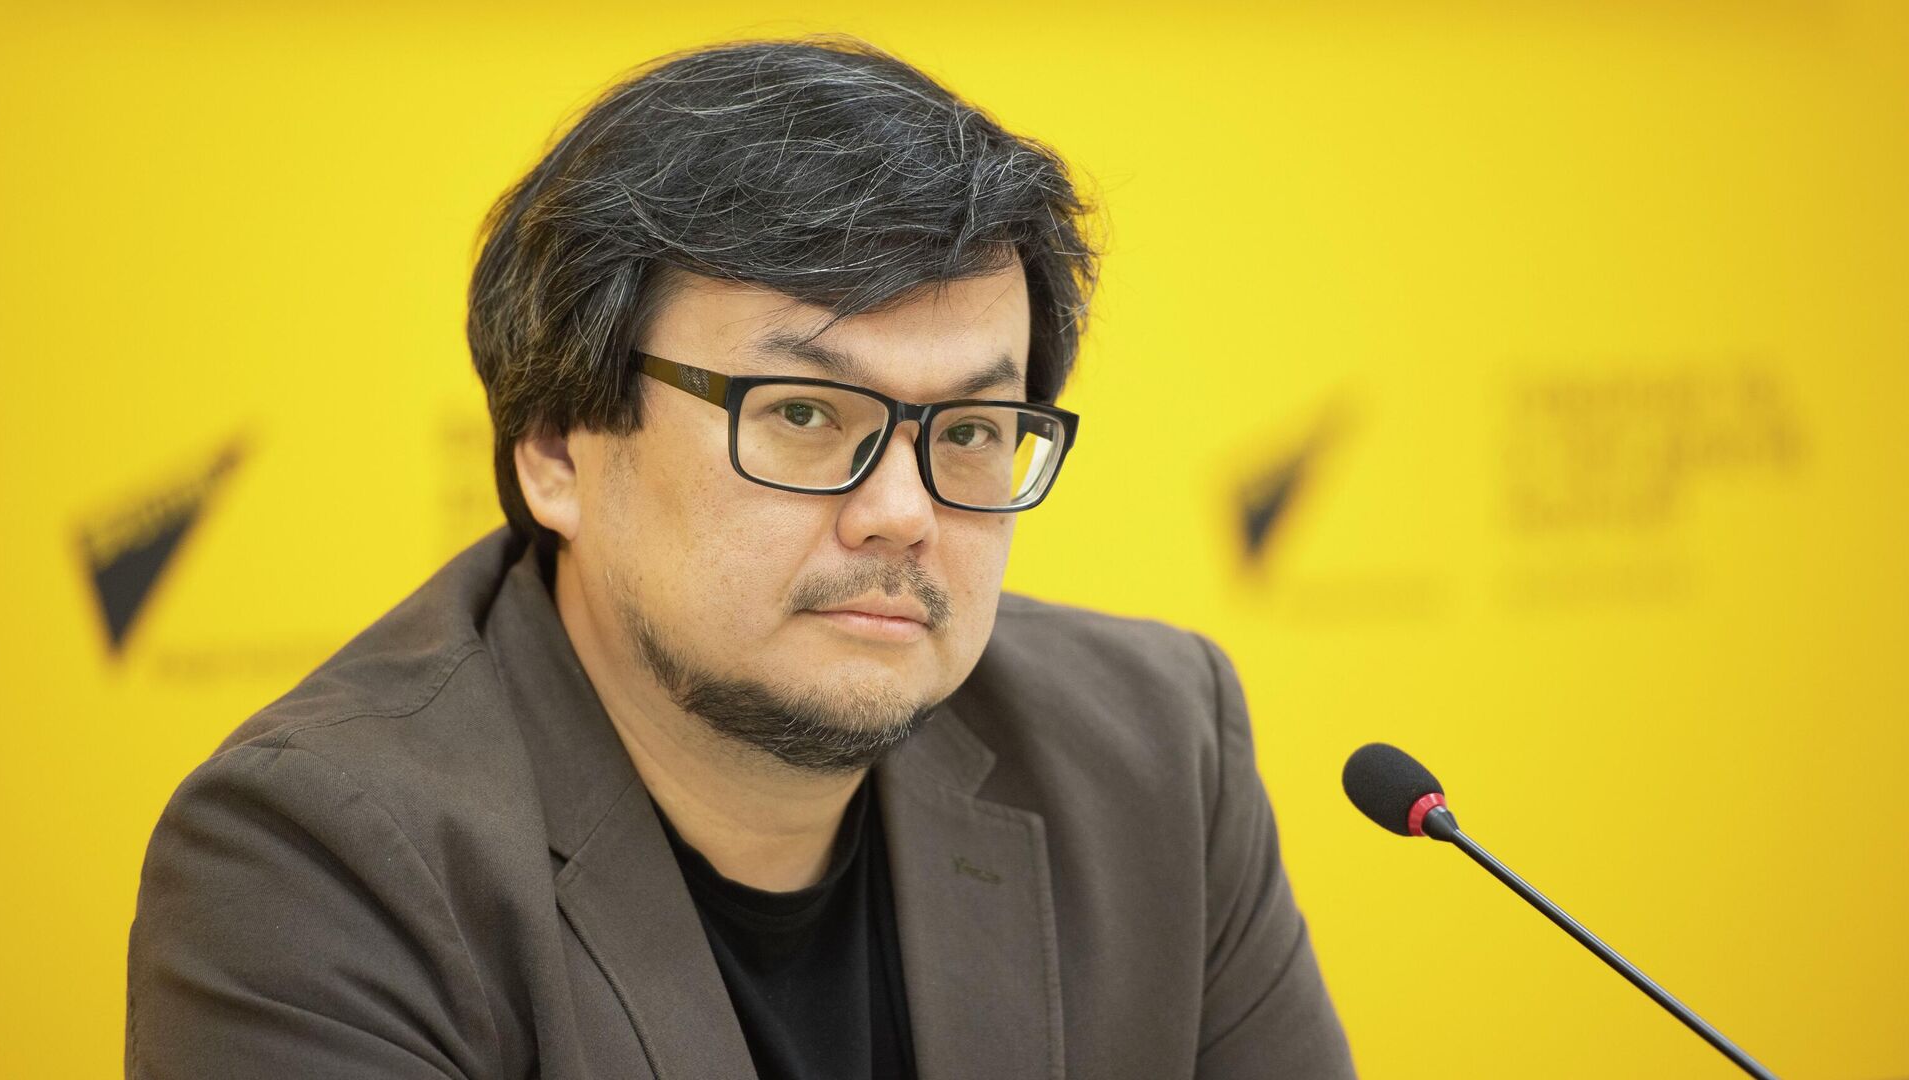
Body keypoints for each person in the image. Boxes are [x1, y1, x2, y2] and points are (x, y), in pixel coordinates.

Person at [125, 35, 1355, 1080]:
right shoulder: (318, 858)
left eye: (973, 431)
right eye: (804, 414)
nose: (902, 513)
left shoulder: (1154, 750)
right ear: (555, 447)